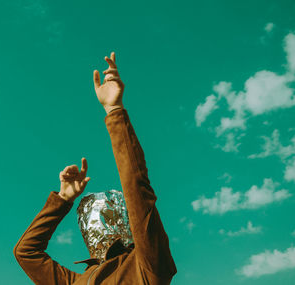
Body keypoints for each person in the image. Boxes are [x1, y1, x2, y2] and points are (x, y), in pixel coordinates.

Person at [13, 52, 177, 284]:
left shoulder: (146, 266)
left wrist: (115, 111)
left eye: (105, 215)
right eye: (87, 218)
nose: (95, 224)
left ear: (125, 220)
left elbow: (137, 191)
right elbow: (25, 253)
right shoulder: (76, 282)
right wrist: (62, 200)